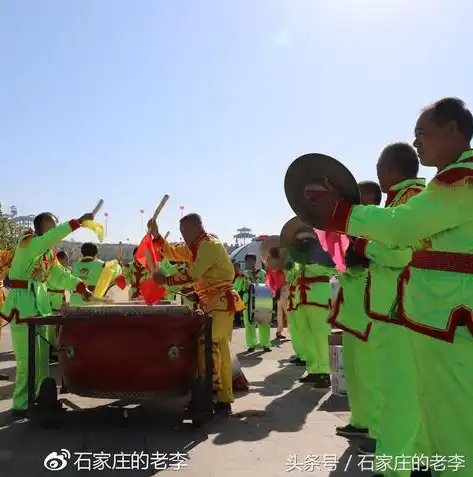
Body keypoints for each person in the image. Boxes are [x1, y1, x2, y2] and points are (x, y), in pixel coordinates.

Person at [308, 97, 473, 477]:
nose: (417, 144)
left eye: (422, 134)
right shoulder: (448, 184)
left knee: (453, 420)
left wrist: (341, 213)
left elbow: (401, 227)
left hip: (447, 315)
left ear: (452, 130)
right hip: (431, 315)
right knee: (435, 411)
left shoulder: (460, 182)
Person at [350, 143, 427, 461]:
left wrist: (365, 248)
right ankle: (414, 454)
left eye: (380, 169)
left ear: (391, 171)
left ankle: (393, 463)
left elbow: (401, 253)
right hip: (401, 309)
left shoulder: (409, 202)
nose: (379, 177)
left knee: (398, 392)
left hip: (400, 311)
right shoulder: (410, 200)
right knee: (404, 391)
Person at [149, 213, 244, 415]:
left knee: (210, 345)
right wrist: (157, 235)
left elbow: (193, 273)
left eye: (185, 231)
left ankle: (210, 394)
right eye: (181, 232)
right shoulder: (194, 248)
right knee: (214, 348)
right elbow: (171, 253)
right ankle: (221, 398)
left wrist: (166, 280)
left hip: (220, 302)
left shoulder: (210, 245)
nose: (182, 236)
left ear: (197, 228)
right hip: (211, 302)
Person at [1, 212, 93, 417]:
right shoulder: (28, 243)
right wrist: (76, 222)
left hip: (40, 304)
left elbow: (60, 276)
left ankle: (39, 396)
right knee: (26, 357)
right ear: (40, 226)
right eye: (52, 224)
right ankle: (21, 403)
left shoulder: (48, 254)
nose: (55, 228)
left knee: (42, 358)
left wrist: (79, 286)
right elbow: (49, 239)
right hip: (23, 304)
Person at [329, 181, 382, 441]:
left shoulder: (381, 225)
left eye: (361, 197)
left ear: (373, 199)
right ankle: (360, 421)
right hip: (352, 311)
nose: (356, 201)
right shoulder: (352, 229)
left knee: (371, 372)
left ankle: (377, 432)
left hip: (370, 308)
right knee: (354, 371)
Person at [46, 250, 71, 363]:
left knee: (55, 329)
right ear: (61, 259)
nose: (67, 261)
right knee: (52, 329)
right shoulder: (56, 270)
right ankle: (51, 353)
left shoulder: (63, 270)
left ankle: (53, 352)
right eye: (66, 259)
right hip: (53, 300)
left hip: (57, 299)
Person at [242, 253, 270, 352]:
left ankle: (265, 344)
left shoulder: (262, 273)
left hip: (261, 299)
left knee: (264, 322)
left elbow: (268, 285)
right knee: (249, 323)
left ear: (255, 261)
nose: (249, 263)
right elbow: (236, 287)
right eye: (247, 261)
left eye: (251, 261)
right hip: (248, 300)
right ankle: (251, 344)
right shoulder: (243, 275)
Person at [232, 261, 246, 327]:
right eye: (234, 267)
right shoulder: (232, 276)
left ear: (239, 268)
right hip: (233, 293)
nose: (235, 268)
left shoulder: (241, 276)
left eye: (237, 267)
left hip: (240, 294)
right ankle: (236, 322)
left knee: (238, 309)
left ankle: (238, 323)